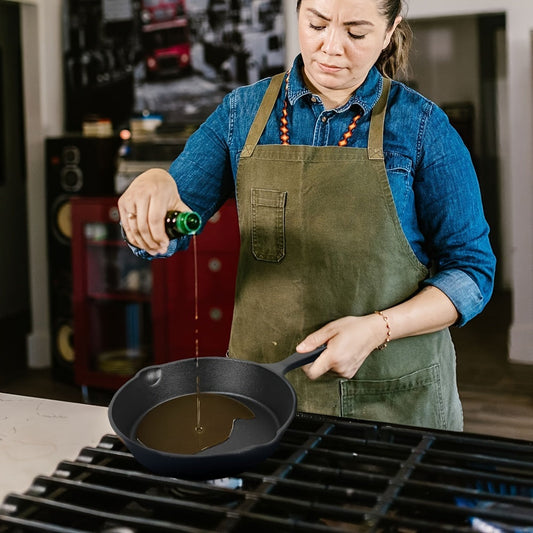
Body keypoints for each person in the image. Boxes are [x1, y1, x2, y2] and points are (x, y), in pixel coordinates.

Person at [118, 0, 496, 430]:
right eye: (316, 24)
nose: (331, 47)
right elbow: (169, 226)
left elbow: (472, 273)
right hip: (264, 398)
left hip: (393, 402)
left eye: (356, 33)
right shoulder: (241, 115)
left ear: (390, 31)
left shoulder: (423, 128)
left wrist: (378, 329)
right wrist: (151, 194)